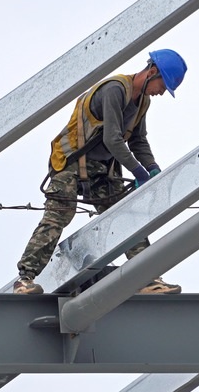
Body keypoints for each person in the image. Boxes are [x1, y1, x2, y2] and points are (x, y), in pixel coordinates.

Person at [14, 49, 188, 295]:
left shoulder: (142, 102)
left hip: (103, 168)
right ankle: (24, 280)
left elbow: (138, 141)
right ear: (151, 72)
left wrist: (153, 168)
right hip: (70, 163)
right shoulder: (115, 90)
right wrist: (139, 172)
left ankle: (147, 278)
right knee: (59, 215)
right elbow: (114, 139)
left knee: (126, 216)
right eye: (163, 85)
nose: (161, 92)